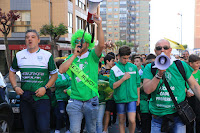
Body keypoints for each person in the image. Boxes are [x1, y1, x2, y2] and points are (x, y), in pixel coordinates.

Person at [59, 14, 104, 133]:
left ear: (88, 43)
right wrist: (74, 54)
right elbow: (61, 70)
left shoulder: (93, 56)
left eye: (82, 41)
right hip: (75, 101)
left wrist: (99, 25)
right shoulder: (71, 57)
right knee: (74, 130)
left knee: (91, 130)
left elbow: (101, 45)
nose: (79, 43)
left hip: (91, 100)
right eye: (77, 41)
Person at [143, 39, 200, 133]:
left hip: (178, 116)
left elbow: (194, 86)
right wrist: (159, 74)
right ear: (155, 51)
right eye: (159, 48)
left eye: (165, 48)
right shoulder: (150, 68)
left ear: (170, 50)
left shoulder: (180, 65)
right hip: (157, 117)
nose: (162, 50)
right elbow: (147, 90)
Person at [9, 29, 58, 133]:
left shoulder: (47, 55)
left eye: (33, 37)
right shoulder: (19, 55)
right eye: (27, 37)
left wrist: (45, 88)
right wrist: (15, 87)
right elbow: (11, 72)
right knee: (28, 129)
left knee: (44, 128)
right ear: (25, 41)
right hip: (25, 97)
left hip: (42, 97)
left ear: (38, 40)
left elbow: (54, 74)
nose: (29, 39)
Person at [109, 46, 141, 133]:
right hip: (120, 98)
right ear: (119, 56)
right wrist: (123, 78)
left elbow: (138, 84)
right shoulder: (114, 69)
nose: (126, 60)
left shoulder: (133, 67)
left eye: (128, 58)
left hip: (132, 98)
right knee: (121, 121)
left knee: (132, 120)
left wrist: (138, 98)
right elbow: (113, 86)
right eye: (124, 58)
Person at [100, 52, 116, 133]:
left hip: (111, 95)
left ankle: (105, 129)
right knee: (102, 113)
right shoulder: (101, 71)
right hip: (102, 96)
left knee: (107, 112)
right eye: (112, 60)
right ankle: (102, 127)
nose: (114, 62)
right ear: (107, 61)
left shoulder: (114, 71)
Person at [54, 59, 71, 133]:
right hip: (60, 97)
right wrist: (67, 81)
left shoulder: (67, 73)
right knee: (61, 113)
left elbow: (71, 84)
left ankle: (67, 129)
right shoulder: (56, 74)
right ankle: (57, 129)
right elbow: (57, 84)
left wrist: (68, 89)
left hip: (68, 97)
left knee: (68, 114)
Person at [186, 54, 200, 133]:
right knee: (189, 119)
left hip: (197, 99)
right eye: (197, 63)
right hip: (188, 98)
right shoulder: (186, 73)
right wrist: (186, 91)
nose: (198, 65)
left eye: (199, 63)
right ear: (191, 64)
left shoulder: (199, 73)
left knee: (198, 118)